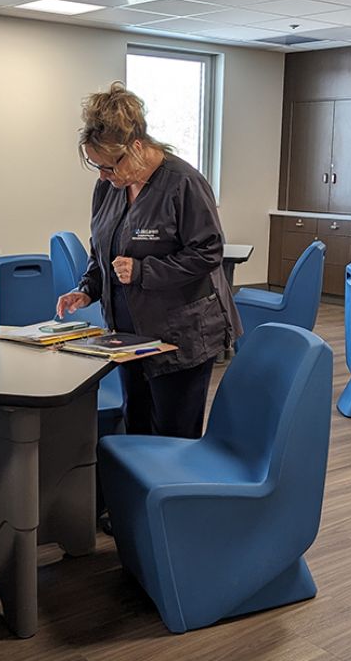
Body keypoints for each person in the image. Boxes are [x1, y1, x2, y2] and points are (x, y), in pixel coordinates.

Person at [56, 82, 241, 439]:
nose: (103, 176)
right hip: (129, 336)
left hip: (180, 336)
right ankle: (137, 497)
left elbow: (208, 253)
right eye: (97, 167)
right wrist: (87, 289)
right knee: (136, 426)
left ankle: (172, 496)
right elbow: (103, 249)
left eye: (108, 166)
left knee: (173, 437)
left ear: (136, 148)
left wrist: (144, 271)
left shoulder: (184, 183)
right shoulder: (109, 188)